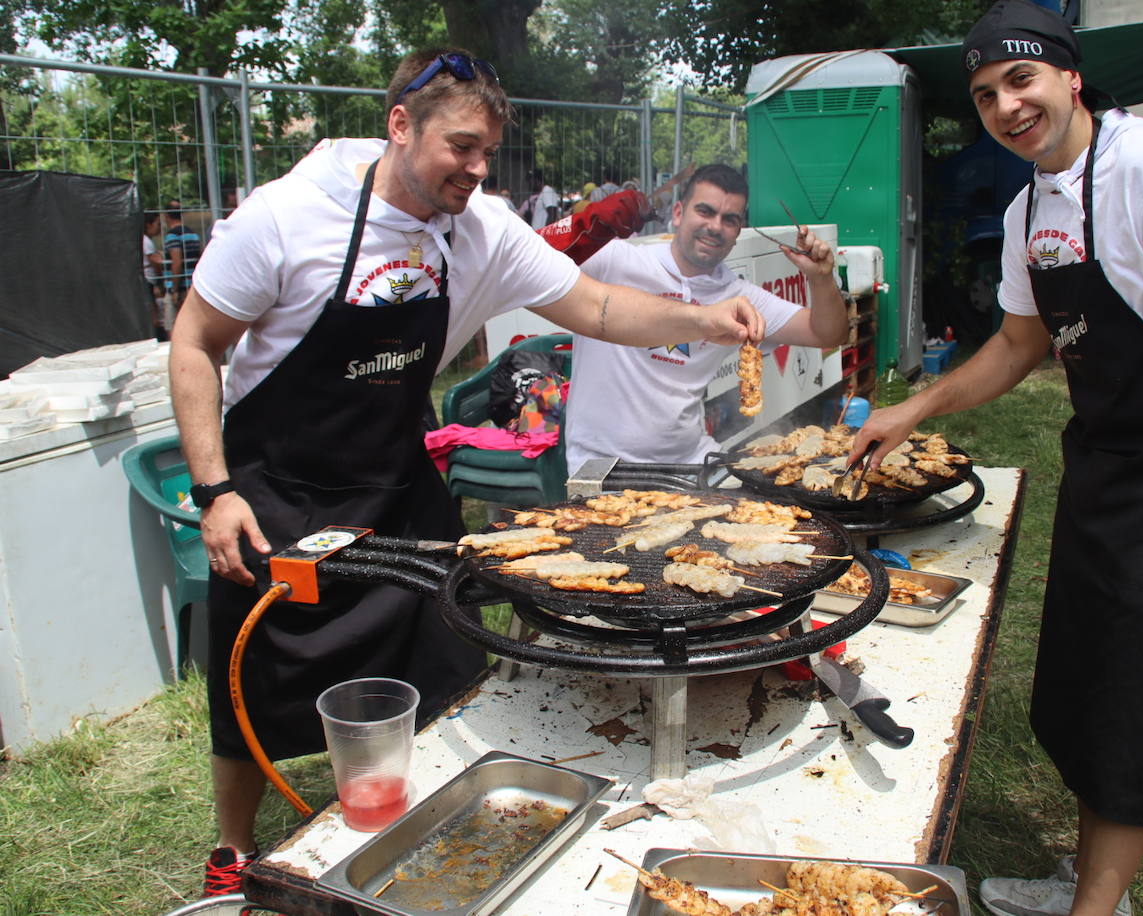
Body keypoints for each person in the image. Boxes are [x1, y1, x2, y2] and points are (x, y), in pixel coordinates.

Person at [169, 46, 763, 899]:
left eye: (489, 151)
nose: (479, 170)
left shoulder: (479, 229)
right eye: (462, 148)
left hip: (395, 480)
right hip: (279, 486)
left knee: (446, 658)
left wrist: (702, 319)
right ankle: (232, 854)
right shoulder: (287, 217)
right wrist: (215, 491)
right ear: (400, 125)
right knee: (254, 683)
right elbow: (195, 344)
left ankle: (418, 815)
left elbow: (591, 304)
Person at [850, 3, 1143, 914]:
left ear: (1070, 76)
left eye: (1020, 79)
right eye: (986, 93)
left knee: (1137, 698)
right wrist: (916, 405)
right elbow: (1018, 345)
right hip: (1103, 465)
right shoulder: (1032, 206)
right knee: (1084, 683)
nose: (1006, 105)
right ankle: (1088, 881)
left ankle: (1096, 910)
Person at [564, 163, 848, 469]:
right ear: (677, 213)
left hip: (691, 460)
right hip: (599, 463)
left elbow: (827, 334)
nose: (715, 226)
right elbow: (526, 262)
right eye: (705, 211)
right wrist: (580, 227)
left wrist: (821, 278)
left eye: (729, 220)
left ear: (738, 232)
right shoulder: (615, 261)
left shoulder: (739, 297)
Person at [163, 202, 202, 311]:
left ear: (166, 216)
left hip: (181, 288)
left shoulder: (172, 236)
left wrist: (174, 289)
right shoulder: (193, 234)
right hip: (193, 285)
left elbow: (177, 262)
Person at [142, 211, 168, 340]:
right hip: (149, 280)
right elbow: (155, 262)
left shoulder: (146, 241)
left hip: (149, 280)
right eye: (158, 224)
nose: (160, 227)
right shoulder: (146, 241)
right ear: (149, 224)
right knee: (154, 314)